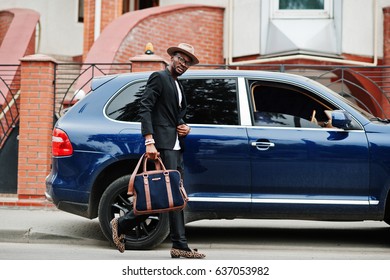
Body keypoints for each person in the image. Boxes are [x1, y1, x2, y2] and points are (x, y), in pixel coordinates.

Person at [110, 43, 205, 259]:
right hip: (161, 145)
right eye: (181, 59)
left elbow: (174, 114)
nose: (183, 64)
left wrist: (184, 126)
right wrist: (149, 140)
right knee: (163, 194)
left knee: (176, 196)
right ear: (172, 58)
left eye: (188, 62)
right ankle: (122, 223)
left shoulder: (178, 86)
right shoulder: (159, 77)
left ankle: (180, 245)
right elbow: (145, 107)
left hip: (175, 144)